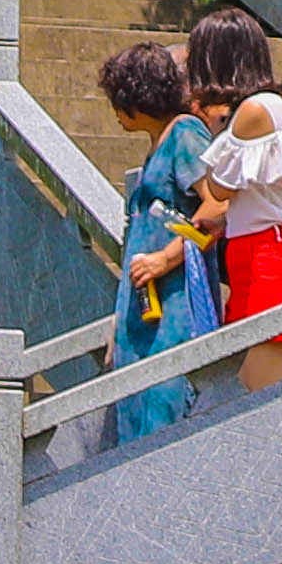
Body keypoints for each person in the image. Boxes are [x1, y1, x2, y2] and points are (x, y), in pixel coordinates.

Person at [185, 8, 282, 386]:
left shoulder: (256, 110)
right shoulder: (260, 108)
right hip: (256, 254)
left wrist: (213, 127)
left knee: (261, 394)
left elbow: (218, 187)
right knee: (247, 390)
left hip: (270, 258)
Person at [100, 39, 215, 444]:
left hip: (174, 306)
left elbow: (217, 209)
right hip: (142, 312)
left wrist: (166, 259)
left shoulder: (185, 135)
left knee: (163, 419)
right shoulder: (159, 144)